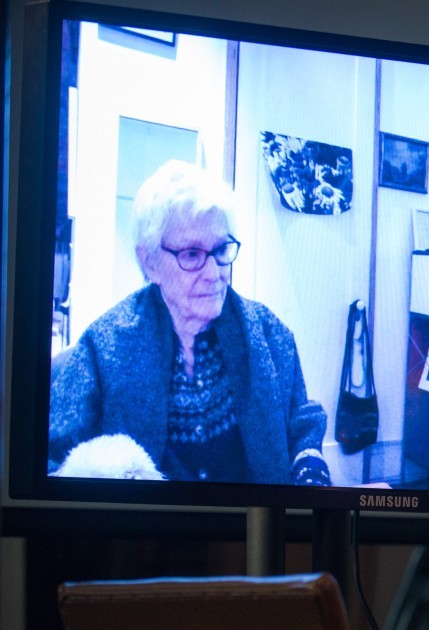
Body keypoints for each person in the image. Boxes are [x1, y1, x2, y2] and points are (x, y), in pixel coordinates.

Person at [50, 160, 331, 486]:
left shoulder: (269, 333)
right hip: (147, 534)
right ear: (150, 261)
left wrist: (310, 468)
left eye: (221, 249)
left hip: (252, 533)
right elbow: (55, 461)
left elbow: (301, 422)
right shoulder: (102, 346)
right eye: (192, 255)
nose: (214, 274)